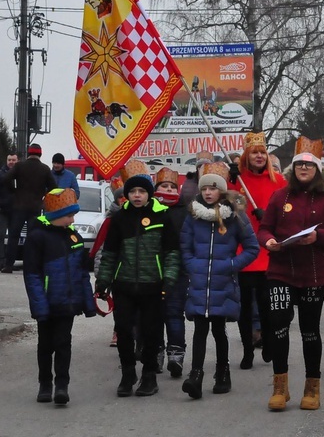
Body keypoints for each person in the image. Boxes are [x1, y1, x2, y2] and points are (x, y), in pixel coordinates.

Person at [258, 136, 324, 411]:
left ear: (318, 170)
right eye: (299, 165)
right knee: (279, 325)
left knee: (310, 331)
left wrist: (318, 236)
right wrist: (268, 241)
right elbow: (263, 229)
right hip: (280, 271)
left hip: (313, 273)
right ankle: (280, 388)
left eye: (309, 166)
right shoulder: (279, 196)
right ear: (292, 170)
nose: (304, 170)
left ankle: (312, 387)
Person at [95, 159, 180, 398]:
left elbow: (172, 252)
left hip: (153, 285)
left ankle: (149, 375)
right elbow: (109, 253)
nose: (137, 195)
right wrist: (103, 282)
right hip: (123, 285)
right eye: (132, 191)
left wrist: (170, 278)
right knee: (123, 330)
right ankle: (128, 372)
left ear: (149, 194)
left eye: (142, 191)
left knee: (151, 331)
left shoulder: (162, 217)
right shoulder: (120, 219)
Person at [180, 163, 259, 399]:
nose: (208, 193)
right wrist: (192, 264)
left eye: (213, 189)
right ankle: (195, 375)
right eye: (205, 188)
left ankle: (223, 373)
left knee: (218, 329)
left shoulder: (235, 216)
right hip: (200, 280)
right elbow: (185, 246)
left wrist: (231, 265)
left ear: (222, 192)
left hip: (223, 280)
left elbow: (252, 248)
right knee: (199, 329)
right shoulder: (193, 216)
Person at [23, 188, 96, 405]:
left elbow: (83, 273)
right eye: (69, 215)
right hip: (47, 302)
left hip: (68, 303)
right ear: (54, 215)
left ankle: (62, 385)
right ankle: (45, 383)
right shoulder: (38, 238)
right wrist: (39, 306)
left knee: (64, 343)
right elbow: (32, 275)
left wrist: (88, 302)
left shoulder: (74, 237)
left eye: (73, 215)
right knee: (45, 345)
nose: (72, 219)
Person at [228, 131, 286, 370]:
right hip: (244, 250)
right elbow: (225, 206)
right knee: (244, 306)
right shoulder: (237, 181)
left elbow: (287, 212)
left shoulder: (279, 182)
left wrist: (271, 218)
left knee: (266, 304)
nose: (259, 156)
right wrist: (230, 181)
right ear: (246, 156)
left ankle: (269, 341)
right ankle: (247, 349)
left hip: (269, 249)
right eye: (255, 153)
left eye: (263, 152)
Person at [153, 167, 189, 378]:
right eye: (163, 186)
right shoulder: (149, 210)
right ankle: (156, 351)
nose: (167, 189)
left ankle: (176, 353)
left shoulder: (186, 212)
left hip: (178, 270)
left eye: (171, 186)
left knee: (174, 313)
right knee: (154, 315)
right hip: (152, 270)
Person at [3, 144, 57, 274]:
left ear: (28, 153)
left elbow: (5, 179)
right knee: (32, 238)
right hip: (35, 207)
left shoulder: (19, 166)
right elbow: (53, 187)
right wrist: (43, 195)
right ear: (40, 154)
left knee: (13, 236)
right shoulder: (44, 169)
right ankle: (30, 266)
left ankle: (8, 265)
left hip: (19, 206)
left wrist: (15, 191)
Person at [89, 177, 124, 348]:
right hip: (117, 271)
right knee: (119, 305)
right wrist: (101, 275)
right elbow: (101, 249)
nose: (124, 200)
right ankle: (118, 331)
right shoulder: (110, 222)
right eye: (121, 197)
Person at [0, 152, 18, 271]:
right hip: (1, 210)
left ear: (17, 161)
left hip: (16, 211)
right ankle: (0, 261)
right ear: (6, 161)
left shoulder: (20, 175)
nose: (11, 162)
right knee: (0, 236)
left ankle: (9, 261)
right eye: (9, 160)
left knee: (13, 236)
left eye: (13, 160)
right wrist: (0, 203)